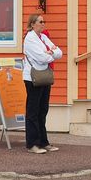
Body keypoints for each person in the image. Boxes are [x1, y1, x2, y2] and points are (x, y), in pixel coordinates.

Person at [22, 13, 62, 154]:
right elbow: (41, 57)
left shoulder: (43, 37)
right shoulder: (29, 39)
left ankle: (43, 142)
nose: (43, 23)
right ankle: (32, 144)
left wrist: (50, 52)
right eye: (40, 21)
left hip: (44, 76)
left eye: (44, 21)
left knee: (43, 110)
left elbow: (59, 52)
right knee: (33, 111)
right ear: (33, 24)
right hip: (33, 77)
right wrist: (50, 53)